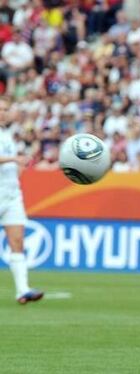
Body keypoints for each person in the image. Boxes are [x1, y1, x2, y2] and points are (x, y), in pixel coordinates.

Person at [0, 98, 44, 304]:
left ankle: (22, 291)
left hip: (11, 194)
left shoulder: (7, 135)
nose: (3, 112)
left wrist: (19, 167)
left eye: (5, 109)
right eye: (0, 109)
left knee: (17, 241)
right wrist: (14, 159)